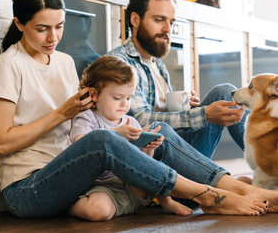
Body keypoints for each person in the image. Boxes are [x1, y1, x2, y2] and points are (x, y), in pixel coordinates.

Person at [0, 0, 278, 221]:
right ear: (20, 24)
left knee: (157, 132)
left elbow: (90, 119)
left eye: (59, 27)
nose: (53, 37)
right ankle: (211, 197)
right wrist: (62, 113)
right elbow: (0, 144)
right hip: (28, 188)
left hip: (71, 175)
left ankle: (245, 189)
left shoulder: (65, 61)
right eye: (42, 29)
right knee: (102, 141)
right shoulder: (8, 66)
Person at [107, 0, 246, 159]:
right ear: (135, 20)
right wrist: (204, 114)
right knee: (216, 100)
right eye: (159, 20)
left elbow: (166, 117)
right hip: (150, 156)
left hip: (173, 146)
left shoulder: (158, 65)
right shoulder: (118, 63)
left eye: (171, 22)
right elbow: (140, 121)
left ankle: (269, 163)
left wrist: (188, 108)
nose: (167, 29)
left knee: (225, 92)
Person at [69, 56, 193, 220]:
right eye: (117, 98)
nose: (124, 104)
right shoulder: (87, 117)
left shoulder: (131, 122)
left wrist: (148, 149)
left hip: (131, 187)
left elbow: (140, 163)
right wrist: (116, 133)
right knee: (97, 210)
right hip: (102, 187)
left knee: (153, 168)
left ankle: (165, 200)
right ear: (94, 94)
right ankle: (68, 206)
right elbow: (82, 144)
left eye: (128, 98)